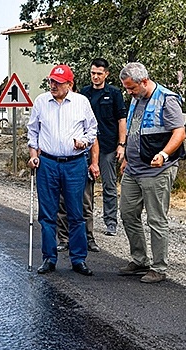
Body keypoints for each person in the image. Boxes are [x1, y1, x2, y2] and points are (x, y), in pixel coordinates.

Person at [117, 62, 186, 283]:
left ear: (144, 81)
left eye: (132, 88)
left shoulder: (167, 99)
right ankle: (140, 260)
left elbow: (179, 133)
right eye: (127, 89)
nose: (129, 93)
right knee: (128, 213)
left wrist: (164, 154)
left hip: (157, 170)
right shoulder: (135, 99)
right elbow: (133, 129)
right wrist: (127, 156)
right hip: (134, 169)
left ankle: (159, 267)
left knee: (156, 219)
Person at [27, 64, 98, 276]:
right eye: (51, 81)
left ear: (70, 84)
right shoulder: (41, 101)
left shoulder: (81, 102)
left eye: (58, 83)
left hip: (74, 163)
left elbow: (92, 129)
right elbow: (33, 131)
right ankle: (49, 258)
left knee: (76, 213)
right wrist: (33, 156)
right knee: (47, 213)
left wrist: (84, 141)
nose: (53, 86)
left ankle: (78, 259)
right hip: (47, 162)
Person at [80, 58, 127, 237]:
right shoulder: (85, 93)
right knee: (85, 188)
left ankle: (111, 222)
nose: (96, 77)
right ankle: (86, 223)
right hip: (87, 146)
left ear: (106, 74)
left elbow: (121, 120)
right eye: (93, 73)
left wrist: (121, 144)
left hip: (108, 146)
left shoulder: (114, 93)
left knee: (109, 186)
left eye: (99, 73)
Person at [55, 141, 99, 252]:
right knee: (62, 203)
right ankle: (64, 239)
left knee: (85, 204)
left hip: (84, 165)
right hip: (62, 165)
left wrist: (94, 163)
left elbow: (94, 141)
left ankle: (89, 238)